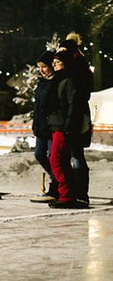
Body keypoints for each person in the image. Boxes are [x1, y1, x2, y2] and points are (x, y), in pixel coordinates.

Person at [47, 50, 91, 209]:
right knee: (61, 159)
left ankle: (67, 194)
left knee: (56, 159)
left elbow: (74, 105)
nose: (54, 65)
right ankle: (68, 193)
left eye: (57, 63)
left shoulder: (69, 81)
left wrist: (68, 126)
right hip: (56, 124)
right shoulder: (58, 80)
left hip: (63, 125)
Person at [31, 50, 60, 202]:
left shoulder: (56, 82)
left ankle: (56, 184)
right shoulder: (41, 83)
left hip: (51, 126)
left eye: (44, 67)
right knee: (39, 154)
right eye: (40, 67)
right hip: (41, 126)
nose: (41, 70)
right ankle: (56, 177)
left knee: (53, 157)